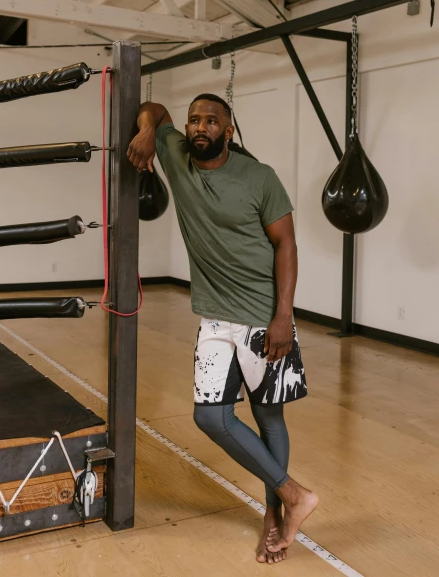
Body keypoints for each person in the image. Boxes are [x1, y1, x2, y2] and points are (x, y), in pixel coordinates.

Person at [127, 94, 318, 564]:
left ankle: (274, 515)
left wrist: (282, 317)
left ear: (228, 132)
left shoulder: (260, 177)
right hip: (214, 317)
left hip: (262, 316)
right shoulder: (176, 155)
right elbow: (152, 106)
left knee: (268, 417)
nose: (200, 126)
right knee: (210, 416)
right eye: (194, 119)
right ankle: (295, 494)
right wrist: (149, 130)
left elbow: (286, 245)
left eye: (211, 121)